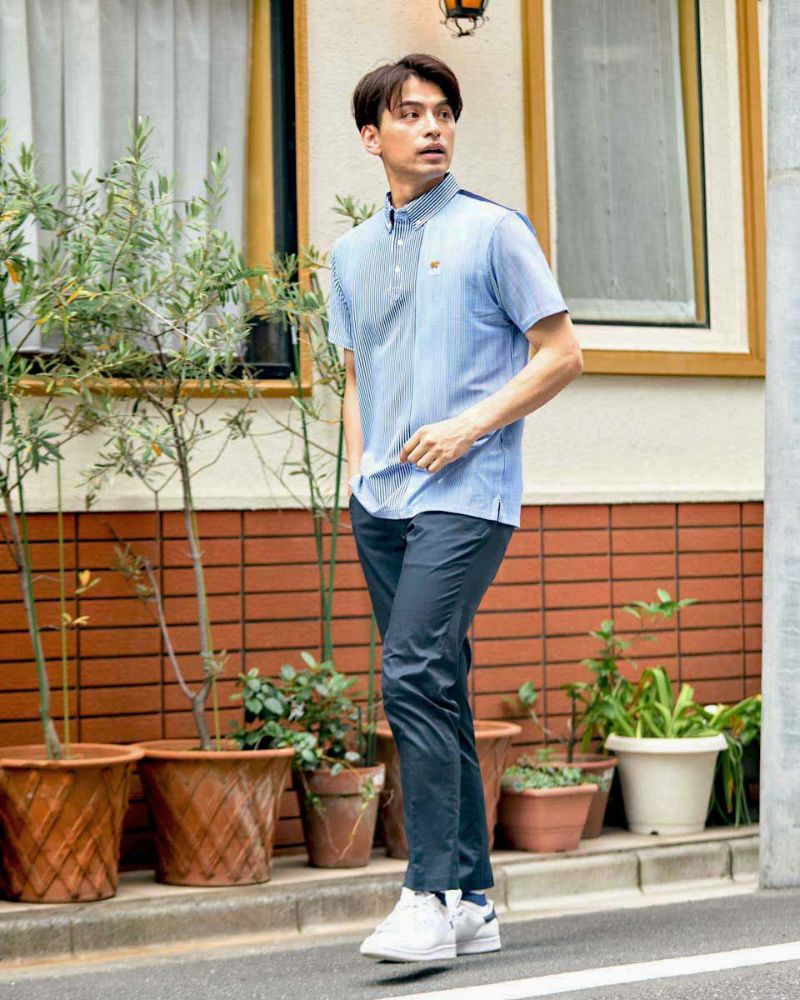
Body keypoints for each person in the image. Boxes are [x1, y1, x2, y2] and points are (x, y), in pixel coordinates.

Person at [327, 53, 582, 963]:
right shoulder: (349, 255)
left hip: (468, 495)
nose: (432, 127)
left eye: (443, 112)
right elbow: (354, 373)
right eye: (410, 114)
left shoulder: (494, 232)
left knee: (409, 671)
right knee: (435, 682)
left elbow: (561, 355)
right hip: (381, 499)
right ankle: (472, 900)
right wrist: (360, 472)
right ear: (373, 137)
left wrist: (469, 427)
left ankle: (427, 894)